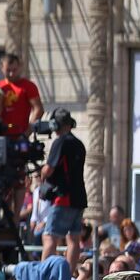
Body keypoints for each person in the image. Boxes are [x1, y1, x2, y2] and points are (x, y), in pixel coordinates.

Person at [41, 108, 86, 264]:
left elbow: (49, 169)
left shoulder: (61, 142)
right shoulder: (79, 144)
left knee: (49, 236)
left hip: (64, 198)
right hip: (79, 197)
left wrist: (41, 175)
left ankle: (44, 276)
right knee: (73, 238)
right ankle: (69, 275)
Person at [0, 51, 43, 138]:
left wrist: (27, 133)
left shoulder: (28, 86)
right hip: (1, 135)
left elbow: (38, 109)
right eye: (8, 70)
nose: (11, 74)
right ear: (1, 68)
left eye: (14, 70)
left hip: (21, 135)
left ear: (19, 67)